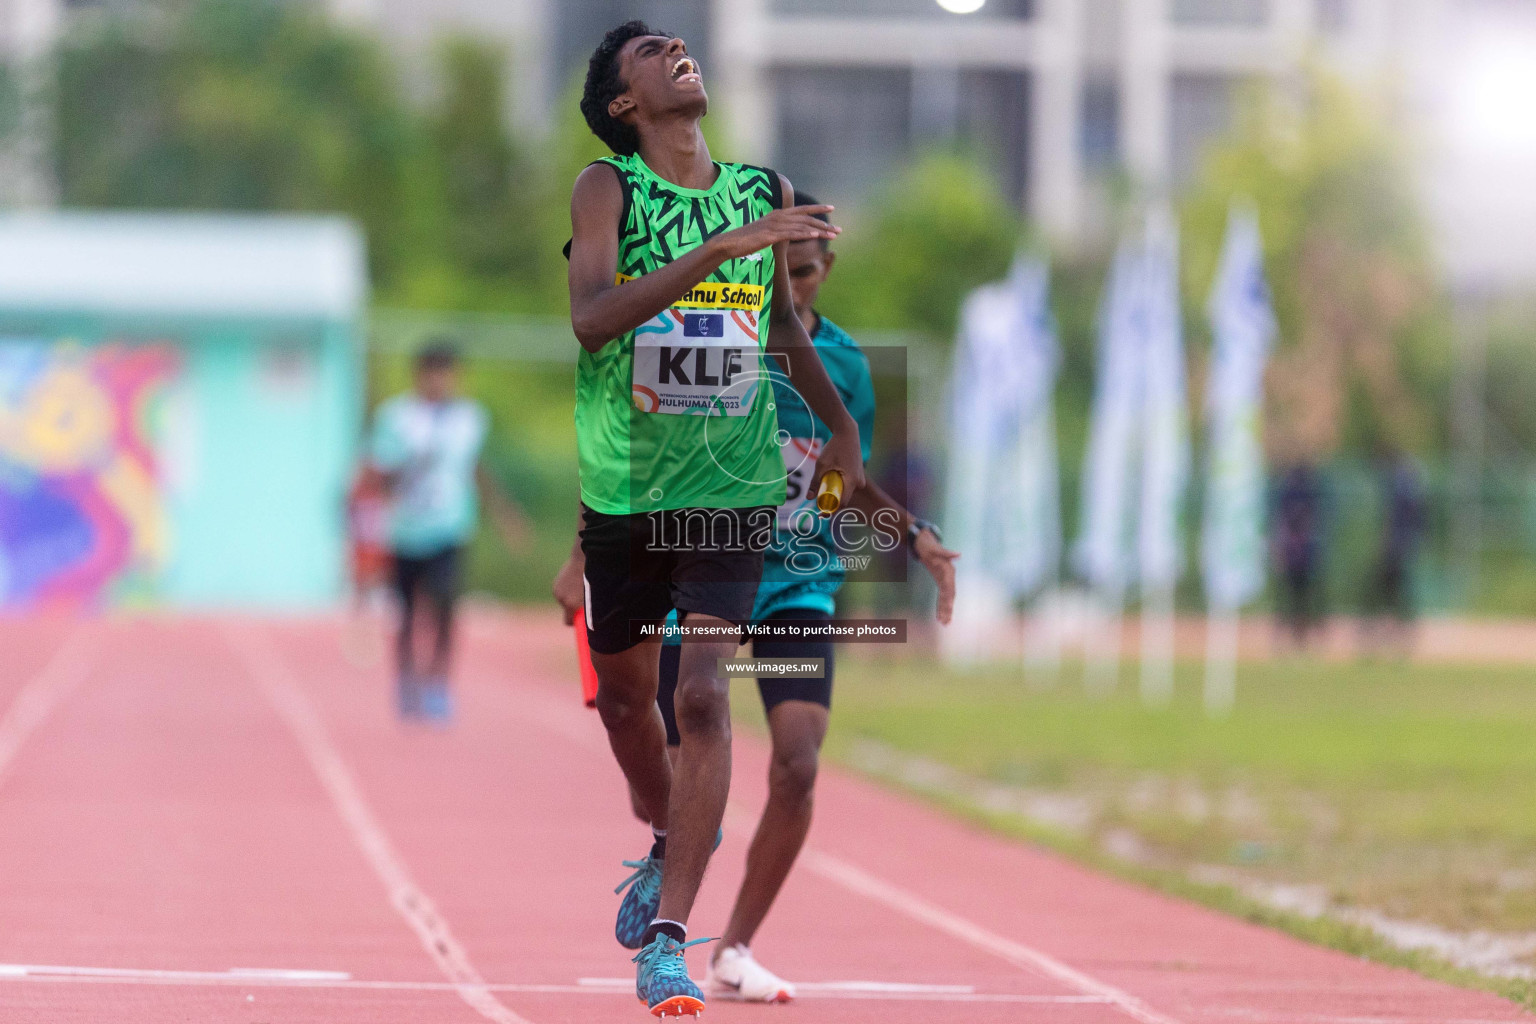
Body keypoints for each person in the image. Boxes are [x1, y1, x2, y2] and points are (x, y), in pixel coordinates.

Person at [555, 194, 957, 1003]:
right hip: (694, 562)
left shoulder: (842, 367)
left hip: (795, 583)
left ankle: (729, 947)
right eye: (784, 271)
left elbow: (849, 479)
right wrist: (581, 554)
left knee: (798, 765)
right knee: (660, 759)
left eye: (807, 272)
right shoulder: (714, 332)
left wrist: (908, 534)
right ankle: (674, 841)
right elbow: (626, 447)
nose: (796, 286)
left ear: (824, 269)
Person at [563, 21, 864, 1018]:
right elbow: (594, 316)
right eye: (652, 51)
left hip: (729, 489)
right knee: (624, 702)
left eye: (679, 42)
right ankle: (662, 837)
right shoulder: (607, 190)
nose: (678, 48)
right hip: (629, 486)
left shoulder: (759, 190)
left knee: (701, 699)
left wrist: (839, 424)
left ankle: (666, 945)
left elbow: (778, 324)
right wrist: (717, 250)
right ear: (624, 103)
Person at [369, 340, 529, 721]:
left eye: (447, 373)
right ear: (419, 375)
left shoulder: (469, 418)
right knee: (406, 612)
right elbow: (377, 473)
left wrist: (506, 515)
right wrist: (407, 462)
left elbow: (476, 468)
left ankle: (438, 682)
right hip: (405, 529)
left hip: (450, 527)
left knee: (444, 604)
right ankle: (407, 678)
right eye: (432, 373)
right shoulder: (396, 417)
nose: (439, 381)